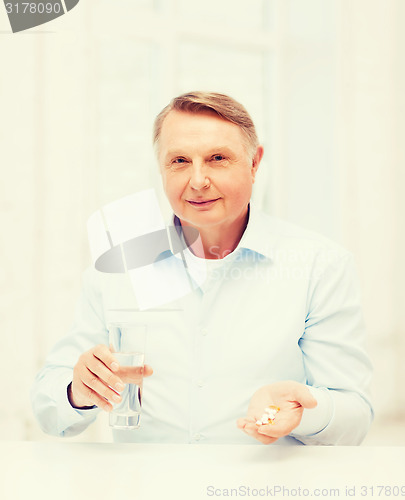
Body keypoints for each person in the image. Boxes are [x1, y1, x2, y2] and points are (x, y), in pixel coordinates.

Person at [31, 91, 373, 445]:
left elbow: (355, 416)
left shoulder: (319, 266)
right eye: (179, 160)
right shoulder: (116, 270)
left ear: (255, 163)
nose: (197, 181)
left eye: (217, 158)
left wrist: (305, 413)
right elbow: (49, 409)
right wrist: (77, 391)